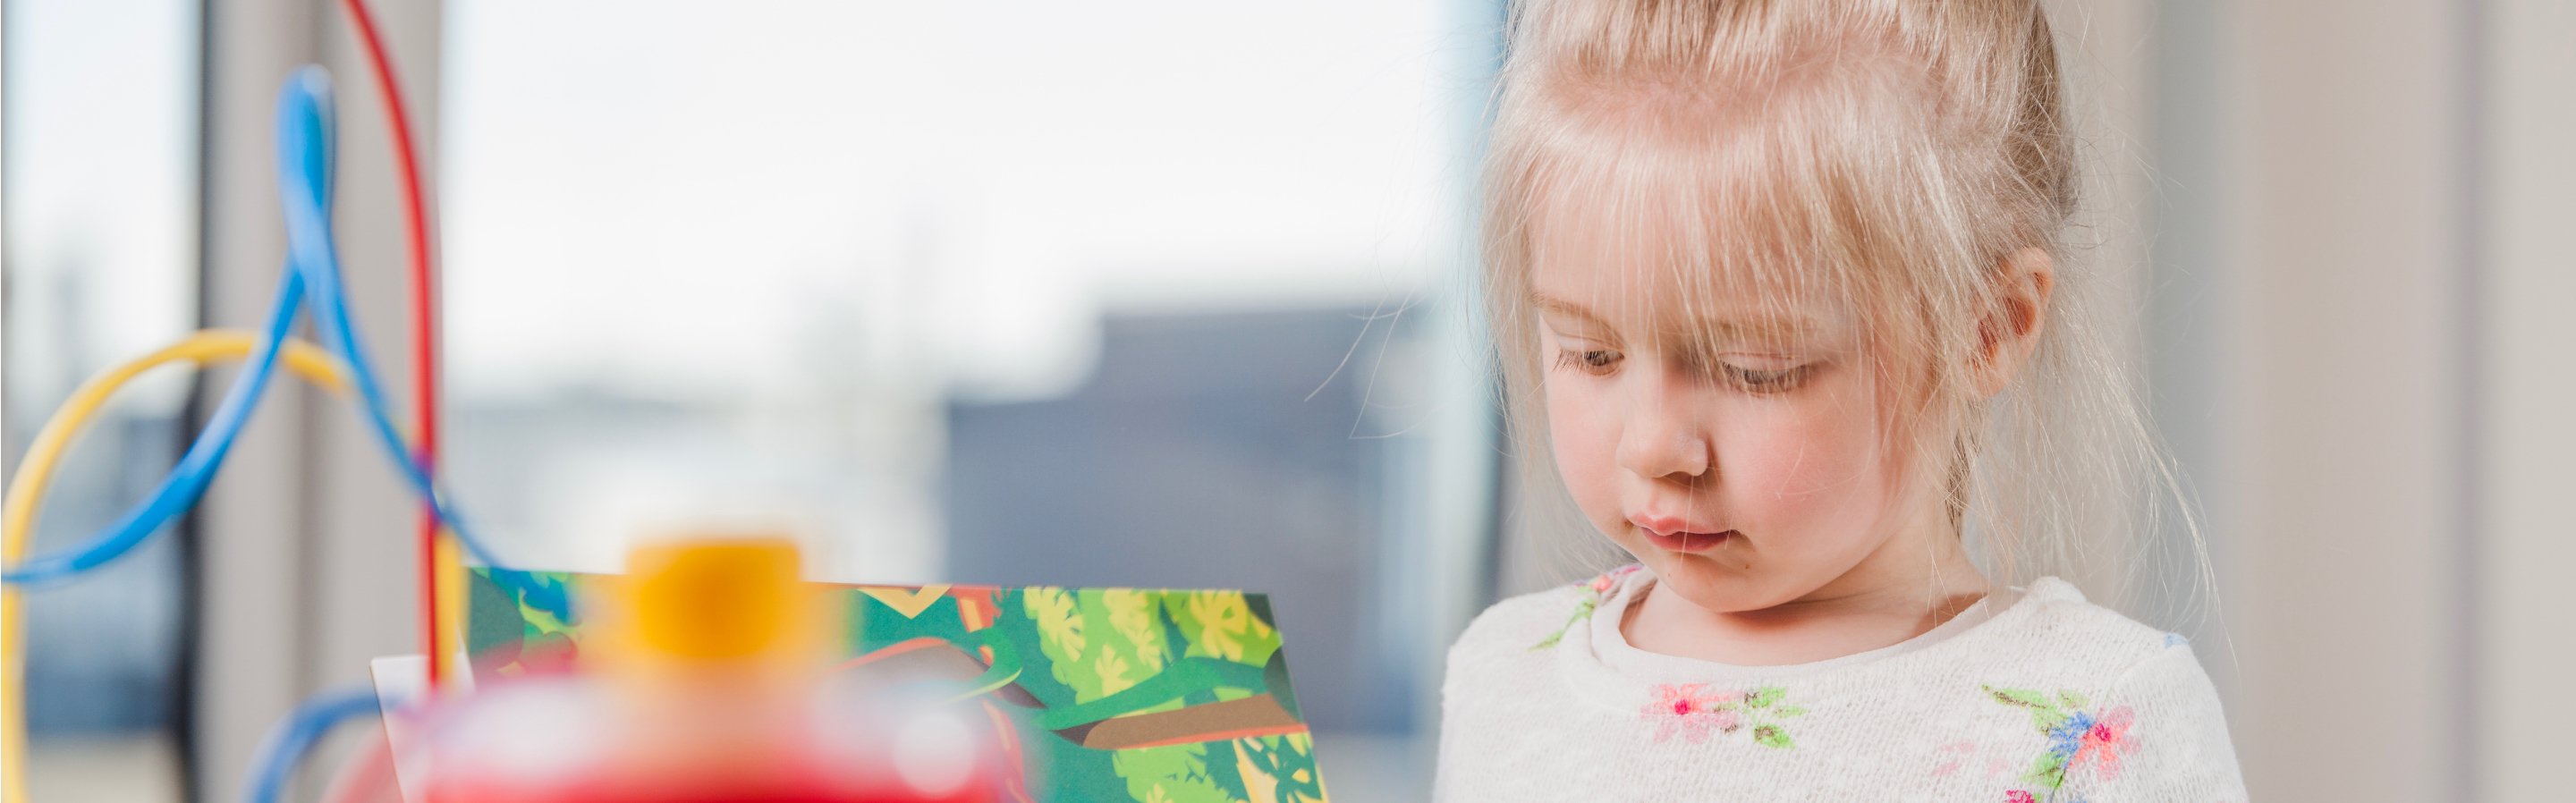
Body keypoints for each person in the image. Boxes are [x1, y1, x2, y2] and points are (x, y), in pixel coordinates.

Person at [1434, 1, 2247, 799]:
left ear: (1987, 327)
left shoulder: (2098, 719)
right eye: (1592, 354)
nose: (1650, 447)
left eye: (1757, 369)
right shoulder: (1504, 674)